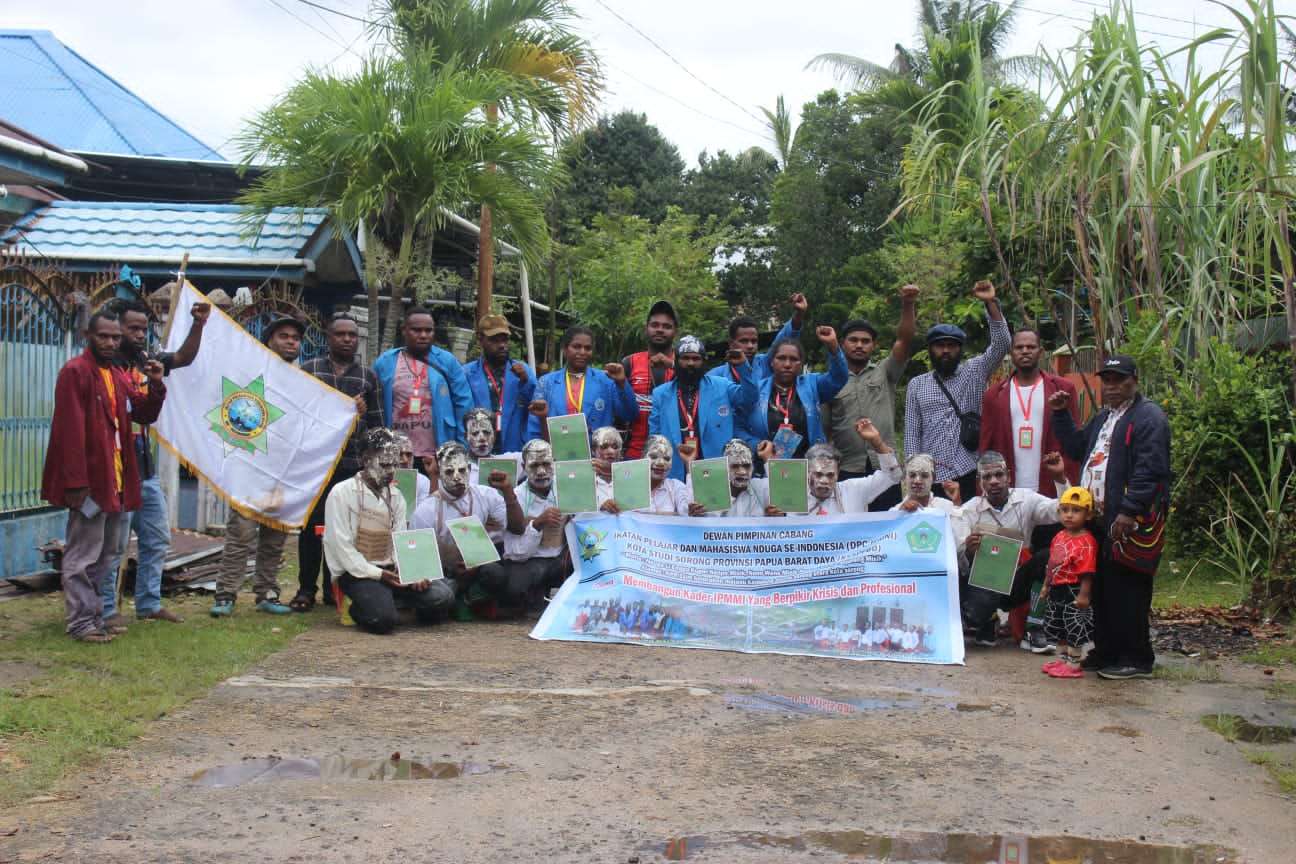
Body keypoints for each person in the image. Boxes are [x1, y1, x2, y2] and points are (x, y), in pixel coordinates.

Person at [42, 309, 166, 642]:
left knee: (109, 553)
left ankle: (96, 616)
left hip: (119, 481)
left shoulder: (118, 374)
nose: (111, 342)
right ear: (88, 336)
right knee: (83, 554)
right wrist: (75, 484)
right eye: (104, 336)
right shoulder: (75, 372)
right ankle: (81, 623)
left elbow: (143, 413)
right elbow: (68, 431)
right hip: (90, 484)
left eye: (115, 337)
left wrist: (155, 384)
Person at [1049, 354, 1171, 681]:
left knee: (1128, 588)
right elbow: (1076, 448)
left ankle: (1136, 657)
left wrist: (1130, 510)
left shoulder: (1148, 417)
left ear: (1135, 380)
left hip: (1129, 520)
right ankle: (1106, 650)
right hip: (1099, 519)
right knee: (1101, 587)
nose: (1113, 386)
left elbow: (1151, 469)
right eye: (1108, 380)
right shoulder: (1104, 416)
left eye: (1120, 380)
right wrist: (1061, 414)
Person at [98, 296, 208, 629]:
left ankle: (148, 603)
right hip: (115, 470)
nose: (139, 335)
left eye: (144, 329)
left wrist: (198, 323)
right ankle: (105, 609)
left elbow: (184, 357)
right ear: (115, 330)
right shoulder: (104, 368)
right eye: (132, 329)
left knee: (157, 537)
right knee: (113, 546)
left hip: (144, 469)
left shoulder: (147, 362)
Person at [211, 315, 305, 618]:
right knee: (240, 535)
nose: (291, 341)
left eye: (295, 337)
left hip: (285, 470)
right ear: (269, 341)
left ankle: (266, 592)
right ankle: (225, 595)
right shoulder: (251, 374)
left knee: (275, 538)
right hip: (249, 468)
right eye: (284, 336)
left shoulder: (307, 382)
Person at [291, 312, 385, 612]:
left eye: (352, 335)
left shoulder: (367, 377)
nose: (347, 339)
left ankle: (336, 588)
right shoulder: (309, 370)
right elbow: (297, 415)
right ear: (328, 337)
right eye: (340, 334)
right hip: (314, 466)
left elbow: (377, 427)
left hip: (352, 465)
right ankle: (306, 589)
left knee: (343, 529)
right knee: (311, 529)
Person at [322, 428, 455, 634]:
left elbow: (400, 543)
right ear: (365, 460)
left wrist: (412, 573)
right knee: (383, 621)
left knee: (443, 596)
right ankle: (362, 606)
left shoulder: (397, 496)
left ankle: (388, 599)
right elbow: (342, 550)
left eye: (394, 465)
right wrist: (378, 574)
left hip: (392, 571)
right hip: (357, 572)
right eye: (384, 465)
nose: (391, 471)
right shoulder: (341, 493)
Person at [903, 280, 1011, 501]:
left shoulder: (974, 371)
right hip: (929, 475)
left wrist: (990, 302)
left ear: (960, 349)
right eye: (939, 345)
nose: (945, 351)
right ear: (931, 349)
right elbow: (912, 434)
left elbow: (1001, 344)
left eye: (951, 346)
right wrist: (913, 474)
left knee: (969, 530)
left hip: (969, 470)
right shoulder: (917, 384)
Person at [951, 450, 1069, 647]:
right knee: (974, 614)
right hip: (985, 584)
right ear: (980, 481)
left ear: (1009, 476)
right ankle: (987, 620)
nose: (994, 481)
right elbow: (958, 562)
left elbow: (1060, 512)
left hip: (1018, 582)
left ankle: (1034, 628)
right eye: (987, 477)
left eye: (999, 475)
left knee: (1049, 556)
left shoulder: (1026, 499)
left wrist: (1060, 479)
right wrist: (968, 550)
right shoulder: (969, 510)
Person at [823, 284, 918, 511]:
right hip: (846, 467)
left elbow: (904, 341)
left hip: (883, 466)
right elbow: (826, 430)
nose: (859, 345)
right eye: (853, 340)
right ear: (842, 343)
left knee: (887, 527)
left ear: (874, 346)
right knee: (849, 530)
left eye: (865, 341)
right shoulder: (828, 381)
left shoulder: (885, 371)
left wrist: (908, 304)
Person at [411, 442, 525, 619]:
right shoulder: (425, 510)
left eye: (462, 470)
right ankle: (451, 602)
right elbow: (419, 561)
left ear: (470, 469)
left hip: (478, 569)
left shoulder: (487, 495)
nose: (457, 477)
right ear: (439, 474)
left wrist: (508, 490)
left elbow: (518, 528)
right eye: (449, 472)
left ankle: (468, 600)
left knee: (496, 574)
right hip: (445, 574)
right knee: (438, 600)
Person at [978, 327, 1079, 495]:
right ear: (1011, 352)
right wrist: (983, 491)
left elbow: (1073, 441)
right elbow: (986, 445)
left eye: (1031, 347)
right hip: (1007, 491)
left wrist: (1070, 484)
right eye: (1019, 347)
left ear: (1041, 352)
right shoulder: (994, 395)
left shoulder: (1062, 389)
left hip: (1051, 486)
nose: (1025, 351)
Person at [648, 335, 756, 481]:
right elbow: (655, 436)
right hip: (675, 474)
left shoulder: (722, 386)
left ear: (703, 360)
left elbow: (750, 399)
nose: (690, 363)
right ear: (676, 360)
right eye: (685, 358)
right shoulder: (661, 394)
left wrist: (743, 367)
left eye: (696, 358)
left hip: (717, 471)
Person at [373, 306, 473, 459]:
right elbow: (374, 405)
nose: (423, 335)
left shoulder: (447, 361)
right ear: (404, 330)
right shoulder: (385, 363)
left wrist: (461, 446)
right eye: (416, 330)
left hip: (439, 451)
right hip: (397, 454)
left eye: (429, 330)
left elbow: (463, 404)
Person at [747, 326, 848, 459]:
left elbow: (839, 377)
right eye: (781, 358)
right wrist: (758, 445)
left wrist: (833, 346)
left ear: (801, 364)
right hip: (766, 469)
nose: (787, 364)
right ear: (771, 362)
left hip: (810, 468)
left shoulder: (812, 385)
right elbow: (738, 426)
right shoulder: (755, 390)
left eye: (794, 359)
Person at [763, 421, 901, 516]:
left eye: (830, 475)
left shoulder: (854, 490)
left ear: (838, 473)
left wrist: (876, 441)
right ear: (806, 473)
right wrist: (773, 518)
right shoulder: (790, 496)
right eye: (818, 474)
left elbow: (893, 476)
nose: (824, 480)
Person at [528, 326, 636, 443]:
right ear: (565, 349)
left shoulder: (606, 380)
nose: (582, 352)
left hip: (597, 457)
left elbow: (630, 415)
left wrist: (622, 383)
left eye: (588, 348)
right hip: (557, 456)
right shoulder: (546, 383)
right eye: (576, 347)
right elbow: (534, 429)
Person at [500, 439, 570, 609]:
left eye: (546, 464)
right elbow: (515, 553)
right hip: (530, 561)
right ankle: (538, 594)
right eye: (534, 466)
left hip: (561, 559)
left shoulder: (567, 489)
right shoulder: (514, 497)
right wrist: (537, 524)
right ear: (523, 466)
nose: (541, 471)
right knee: (514, 589)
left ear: (554, 464)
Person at [1039, 486, 1099, 678]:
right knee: (1057, 625)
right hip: (1056, 587)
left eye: (1076, 510)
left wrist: (1084, 595)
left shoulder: (1087, 541)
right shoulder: (1059, 536)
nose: (1069, 515)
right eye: (1065, 510)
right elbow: (1052, 563)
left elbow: (1087, 572)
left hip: (1073, 589)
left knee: (1073, 625)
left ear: (1088, 515)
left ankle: (1074, 663)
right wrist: (1046, 585)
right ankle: (1064, 659)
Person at [462, 314, 536, 454]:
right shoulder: (466, 373)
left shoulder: (523, 371)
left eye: (504, 340)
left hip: (515, 450)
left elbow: (536, 408)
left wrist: (526, 382)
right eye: (494, 340)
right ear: (480, 339)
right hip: (480, 450)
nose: (502, 345)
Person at [707, 292, 809, 382]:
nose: (750, 346)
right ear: (731, 343)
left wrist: (799, 314)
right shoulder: (715, 376)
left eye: (754, 341)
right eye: (744, 341)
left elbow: (784, 339)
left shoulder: (765, 364)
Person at [623, 300, 678, 459]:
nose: (660, 330)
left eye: (667, 326)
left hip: (673, 454)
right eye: (655, 325)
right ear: (646, 328)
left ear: (675, 331)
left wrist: (673, 365)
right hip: (634, 452)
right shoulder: (629, 363)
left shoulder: (685, 365)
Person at [598, 435, 690, 516]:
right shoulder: (624, 486)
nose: (661, 463)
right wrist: (605, 508)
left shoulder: (676, 486)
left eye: (666, 459)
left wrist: (689, 463)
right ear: (642, 457)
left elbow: (688, 514)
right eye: (653, 457)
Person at [463, 407, 521, 487]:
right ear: (466, 436)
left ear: (495, 435)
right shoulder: (458, 468)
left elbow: (541, 452)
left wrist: (542, 419)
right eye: (475, 433)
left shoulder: (510, 461)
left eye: (486, 432)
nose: (482, 438)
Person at [892, 454, 960, 516]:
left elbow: (960, 526)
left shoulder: (945, 506)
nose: (917, 481)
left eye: (924, 476)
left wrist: (956, 502)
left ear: (933, 479)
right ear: (904, 478)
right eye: (912, 475)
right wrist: (900, 515)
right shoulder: (894, 511)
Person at [591, 425, 624, 503]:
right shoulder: (583, 479)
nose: (610, 451)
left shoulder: (631, 479)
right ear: (593, 450)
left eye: (615, 447)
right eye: (604, 447)